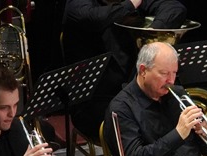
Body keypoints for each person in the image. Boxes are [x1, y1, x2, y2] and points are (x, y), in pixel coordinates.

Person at [62, 0, 187, 143]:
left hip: (135, 93)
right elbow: (93, 18)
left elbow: (175, 7)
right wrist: (130, 5)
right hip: (95, 101)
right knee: (150, 124)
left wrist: (151, 35)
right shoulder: (77, 4)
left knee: (182, 114)